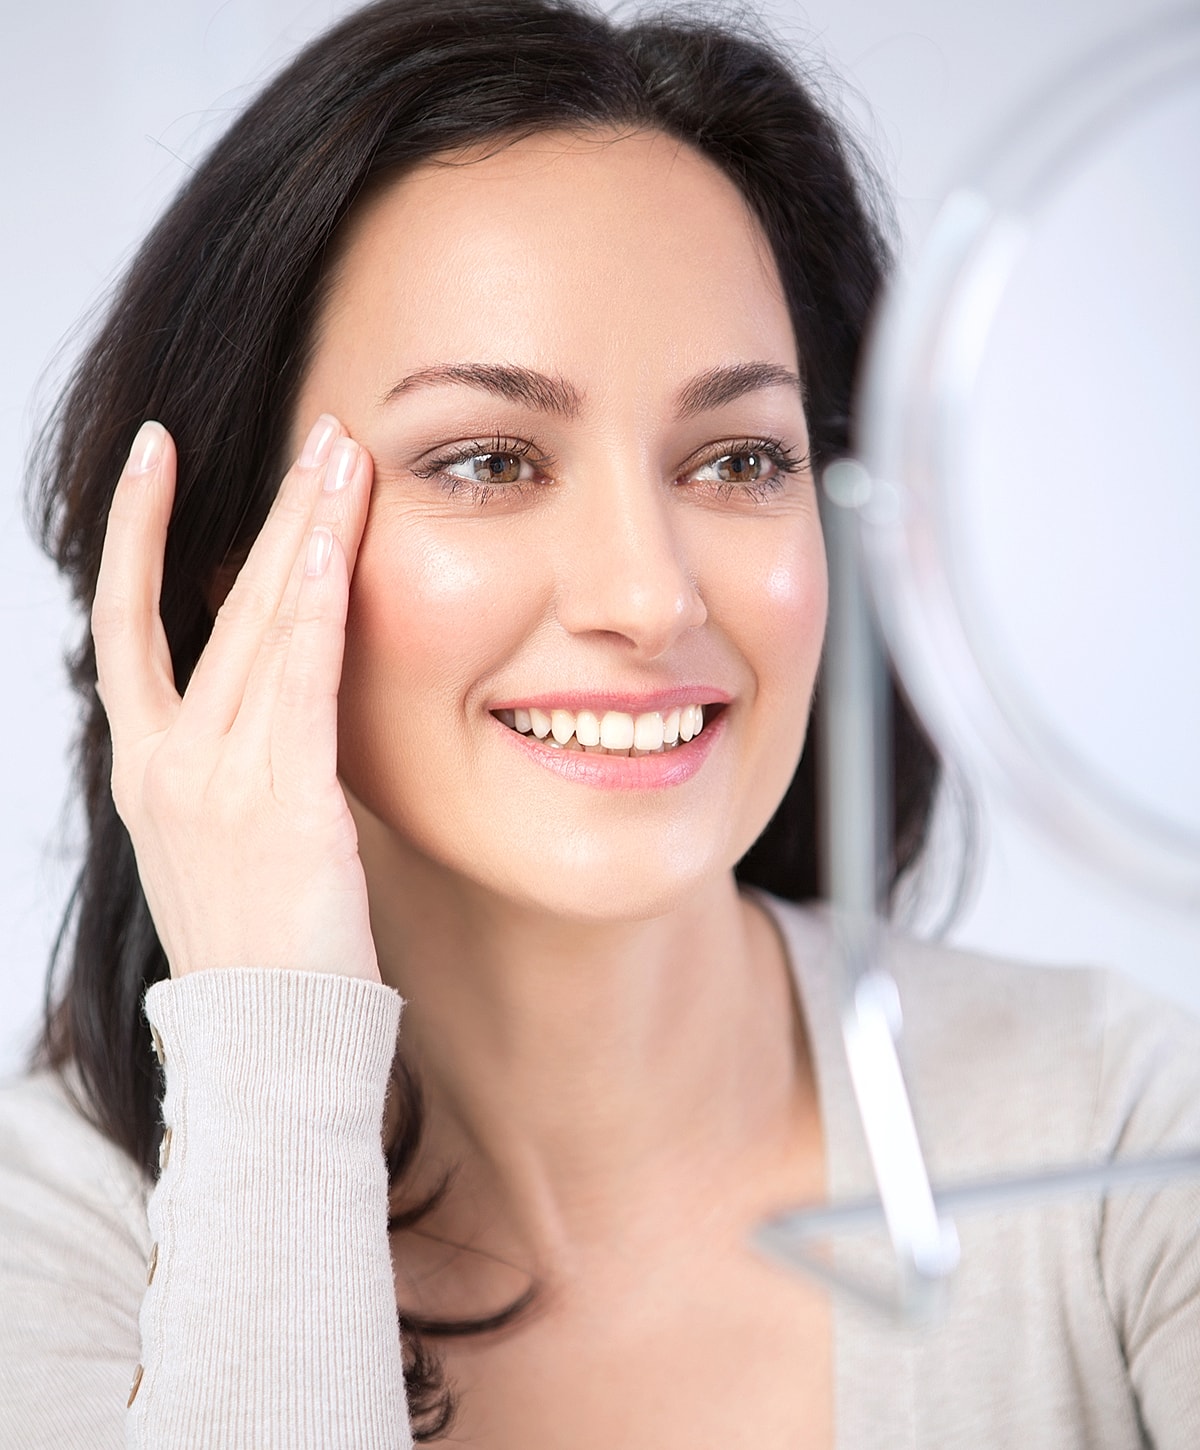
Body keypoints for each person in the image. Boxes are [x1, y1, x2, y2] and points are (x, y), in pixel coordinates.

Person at [1, 0, 1198, 1445]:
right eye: (493, 458)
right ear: (222, 571)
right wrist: (268, 1050)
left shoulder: (1131, 1139)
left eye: (741, 456)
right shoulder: (47, 1247)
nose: (648, 593)